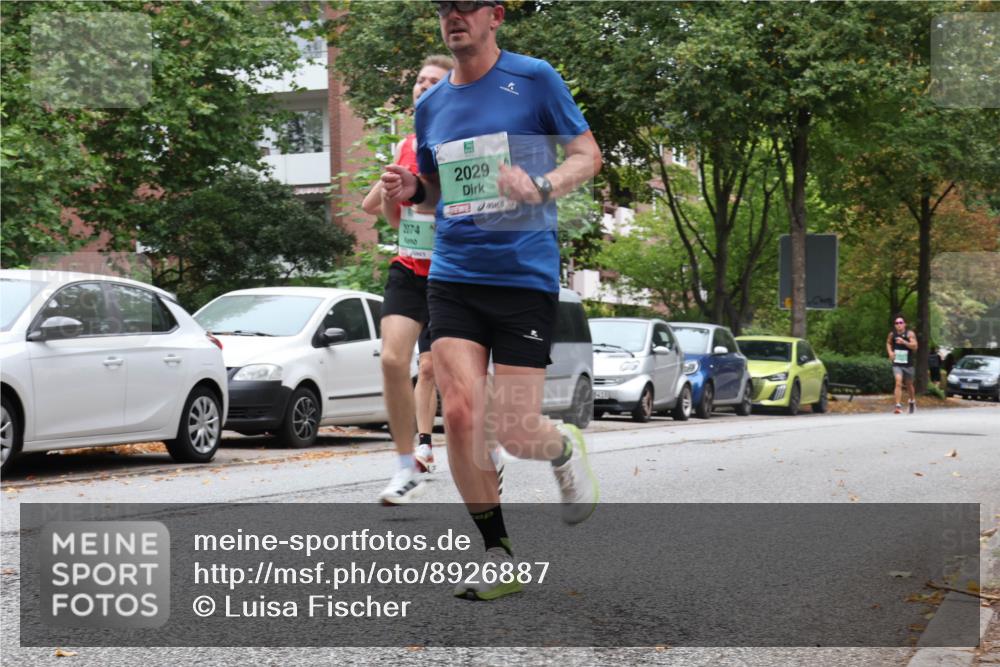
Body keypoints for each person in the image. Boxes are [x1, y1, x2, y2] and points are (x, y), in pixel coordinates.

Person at [381, 0, 602, 601]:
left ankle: (559, 448)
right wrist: (413, 187)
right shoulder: (431, 103)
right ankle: (497, 554)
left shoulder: (534, 79)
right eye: (444, 7)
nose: (454, 16)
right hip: (454, 274)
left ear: (494, 15)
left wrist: (542, 184)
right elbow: (433, 191)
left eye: (467, 5)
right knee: (458, 415)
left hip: (524, 275)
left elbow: (587, 155)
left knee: (516, 427)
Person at [363, 54, 454, 504]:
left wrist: (425, 195)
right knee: (393, 361)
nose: (423, 86)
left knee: (451, 371)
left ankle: (481, 447)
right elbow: (391, 217)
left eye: (433, 81)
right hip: (409, 266)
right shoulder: (405, 144)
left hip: (453, 270)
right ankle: (407, 464)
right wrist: (389, 193)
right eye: (419, 80)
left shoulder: (459, 140)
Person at [886, 314, 918, 414]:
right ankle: (898, 406)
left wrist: (904, 342)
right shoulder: (892, 334)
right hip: (897, 363)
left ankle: (912, 401)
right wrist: (890, 352)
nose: (899, 324)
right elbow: (888, 343)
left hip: (908, 364)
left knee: (909, 384)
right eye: (896, 323)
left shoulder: (909, 334)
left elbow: (915, 346)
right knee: (898, 382)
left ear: (904, 324)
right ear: (895, 325)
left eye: (901, 323)